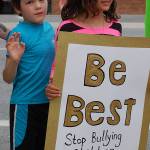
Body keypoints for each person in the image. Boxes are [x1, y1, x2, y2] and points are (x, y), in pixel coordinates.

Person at [2, 0, 58, 149]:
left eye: (42, 0)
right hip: (25, 107)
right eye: (30, 2)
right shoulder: (18, 34)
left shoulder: (50, 29)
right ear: (17, 8)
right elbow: (7, 78)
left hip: (50, 104)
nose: (38, 6)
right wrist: (13, 60)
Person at [45, 0, 122, 100]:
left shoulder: (116, 27)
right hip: (76, 103)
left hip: (106, 101)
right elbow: (57, 67)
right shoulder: (67, 28)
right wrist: (52, 87)